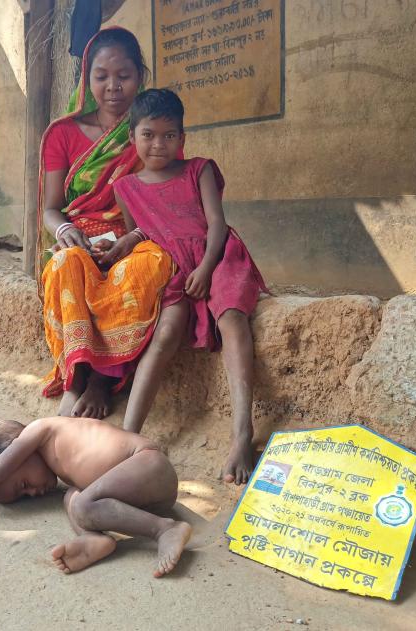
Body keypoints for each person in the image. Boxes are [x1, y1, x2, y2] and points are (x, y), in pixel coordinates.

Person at [107, 89, 269, 487]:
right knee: (164, 334)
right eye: (148, 134)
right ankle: (127, 437)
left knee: (232, 319)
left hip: (217, 255)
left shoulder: (200, 169)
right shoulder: (125, 187)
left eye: (168, 135)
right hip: (174, 269)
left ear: (182, 138)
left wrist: (208, 266)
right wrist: (126, 243)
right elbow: (144, 231)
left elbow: (215, 222)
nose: (158, 144)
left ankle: (242, 435)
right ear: (133, 137)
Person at [38, 27, 176, 420]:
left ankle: (102, 380)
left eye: (124, 76)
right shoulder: (61, 134)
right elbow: (51, 208)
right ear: (87, 78)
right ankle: (76, 377)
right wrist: (67, 233)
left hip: (137, 233)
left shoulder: (154, 130)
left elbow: (166, 199)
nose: (113, 87)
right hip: (78, 235)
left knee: (147, 267)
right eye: (101, 76)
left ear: (140, 76)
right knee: (68, 265)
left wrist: (129, 239)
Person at [0, 417, 192, 577]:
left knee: (82, 503)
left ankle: (164, 529)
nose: (33, 493)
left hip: (149, 466)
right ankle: (95, 538)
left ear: (15, 451)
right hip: (137, 494)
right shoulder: (44, 455)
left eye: (23, 484)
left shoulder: (40, 430)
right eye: (25, 495)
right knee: (71, 495)